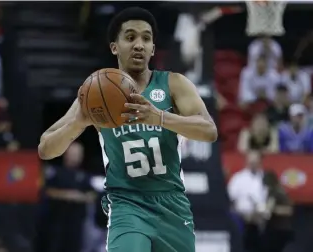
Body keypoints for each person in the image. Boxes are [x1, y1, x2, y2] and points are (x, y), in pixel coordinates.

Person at [38, 7, 217, 252]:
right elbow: (46, 149)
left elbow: (209, 130)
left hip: (172, 203)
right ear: (114, 46)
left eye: (146, 38)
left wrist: (160, 117)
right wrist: (78, 122)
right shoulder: (95, 92)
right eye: (130, 37)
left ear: (153, 48)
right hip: (126, 203)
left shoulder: (173, 83)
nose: (139, 45)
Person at [261, 170, 293, 252]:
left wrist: (273, 210)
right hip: (277, 229)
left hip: (279, 230)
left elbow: (288, 210)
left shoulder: (277, 193)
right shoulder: (275, 192)